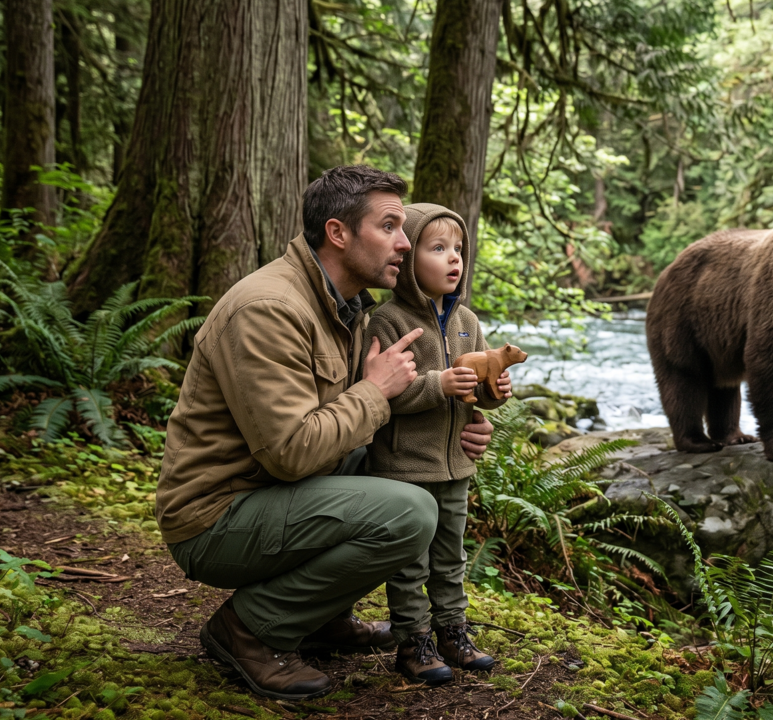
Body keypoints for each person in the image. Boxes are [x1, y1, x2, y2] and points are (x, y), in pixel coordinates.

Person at [154, 166, 496, 701]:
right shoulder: (269, 309)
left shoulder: (347, 306)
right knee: (409, 511)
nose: (405, 243)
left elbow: (355, 424)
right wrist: (375, 390)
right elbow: (292, 451)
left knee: (412, 472)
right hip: (217, 516)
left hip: (274, 490)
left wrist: (464, 426)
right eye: (389, 227)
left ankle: (321, 619)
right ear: (338, 232)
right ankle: (248, 630)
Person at [361, 204, 511, 687]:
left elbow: (479, 393)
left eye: (459, 249)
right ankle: (414, 641)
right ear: (407, 259)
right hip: (405, 468)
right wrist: (437, 385)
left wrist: (495, 393)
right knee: (411, 563)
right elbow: (381, 396)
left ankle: (453, 632)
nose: (454, 259)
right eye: (438, 248)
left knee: (451, 557)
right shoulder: (387, 321)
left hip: (456, 465)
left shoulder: (467, 321)